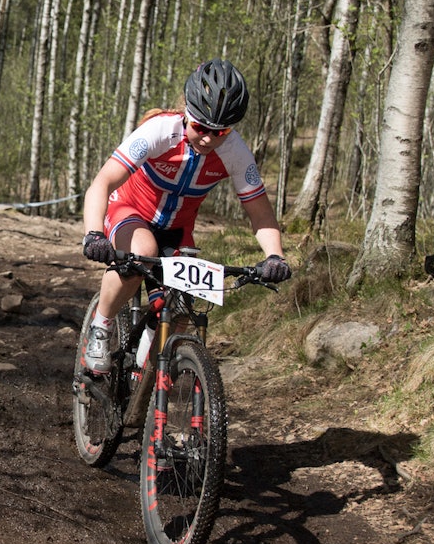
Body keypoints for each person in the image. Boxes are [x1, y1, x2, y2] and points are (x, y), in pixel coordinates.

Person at [80, 58, 291, 374]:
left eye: (220, 132)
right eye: (200, 127)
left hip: (177, 230)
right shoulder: (160, 130)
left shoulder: (235, 152)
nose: (208, 139)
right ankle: (101, 325)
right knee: (142, 253)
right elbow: (103, 182)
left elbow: (260, 213)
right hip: (130, 212)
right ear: (187, 114)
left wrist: (275, 256)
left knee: (182, 304)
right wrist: (94, 233)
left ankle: (144, 370)